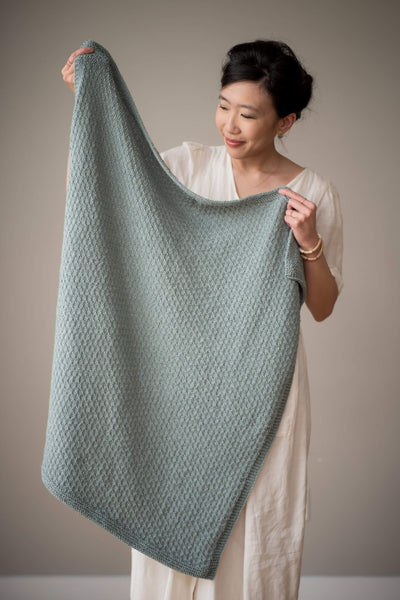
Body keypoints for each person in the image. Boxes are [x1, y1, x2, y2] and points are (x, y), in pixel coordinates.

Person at [62, 40, 343, 600]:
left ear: (285, 121)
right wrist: (86, 99)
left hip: (264, 390)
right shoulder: (187, 166)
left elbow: (322, 306)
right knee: (169, 518)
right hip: (180, 389)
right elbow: (105, 190)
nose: (229, 125)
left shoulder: (311, 192)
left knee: (258, 535)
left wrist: (308, 242)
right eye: (223, 106)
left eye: (248, 114)